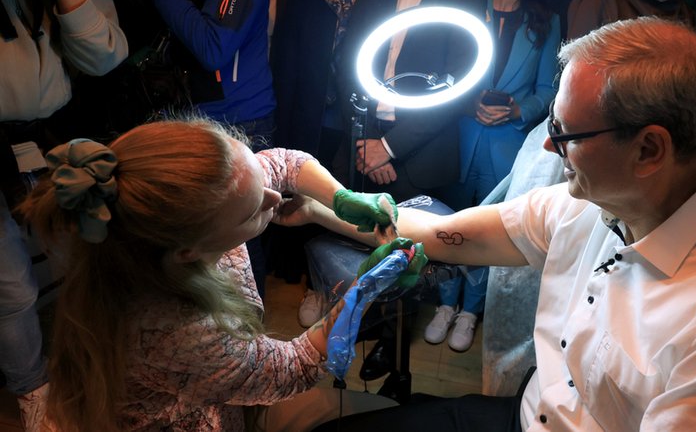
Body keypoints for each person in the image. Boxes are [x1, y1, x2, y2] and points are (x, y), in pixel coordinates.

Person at [288, 17, 696, 431]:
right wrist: (318, 204)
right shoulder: (589, 202)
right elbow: (437, 234)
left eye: (564, 131)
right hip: (530, 413)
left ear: (649, 149)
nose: (550, 146)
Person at [16, 117, 426, 431]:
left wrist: (339, 196)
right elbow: (293, 368)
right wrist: (361, 291)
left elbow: (282, 164)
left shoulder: (188, 209)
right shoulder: (175, 330)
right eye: (252, 211)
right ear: (190, 252)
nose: (273, 198)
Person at [0, 0, 128, 429]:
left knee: (86, 263)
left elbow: (105, 56)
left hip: (58, 142)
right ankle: (33, 393)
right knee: (11, 288)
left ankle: (97, 369)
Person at [426, 0, 560, 353]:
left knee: (487, 228)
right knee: (447, 220)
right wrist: (469, 106)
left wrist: (518, 111)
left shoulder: (546, 21)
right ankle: (445, 303)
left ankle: (470, 311)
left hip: (507, 144)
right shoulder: (466, 5)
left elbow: (549, 90)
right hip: (456, 136)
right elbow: (441, 70)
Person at [147, 0, 277, 292]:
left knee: (241, 237)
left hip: (242, 122)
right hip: (203, 119)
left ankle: (249, 331)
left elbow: (213, 48)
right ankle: (224, 325)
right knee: (209, 235)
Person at [269, 0, 367, 322]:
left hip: (357, 120)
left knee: (346, 202)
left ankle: (341, 288)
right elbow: (286, 62)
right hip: (310, 116)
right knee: (310, 200)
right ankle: (313, 286)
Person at [336, 0, 486, 201]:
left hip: (420, 161)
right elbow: (349, 66)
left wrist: (387, 148)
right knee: (336, 228)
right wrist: (368, 143)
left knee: (404, 234)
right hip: (361, 147)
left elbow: (455, 91)